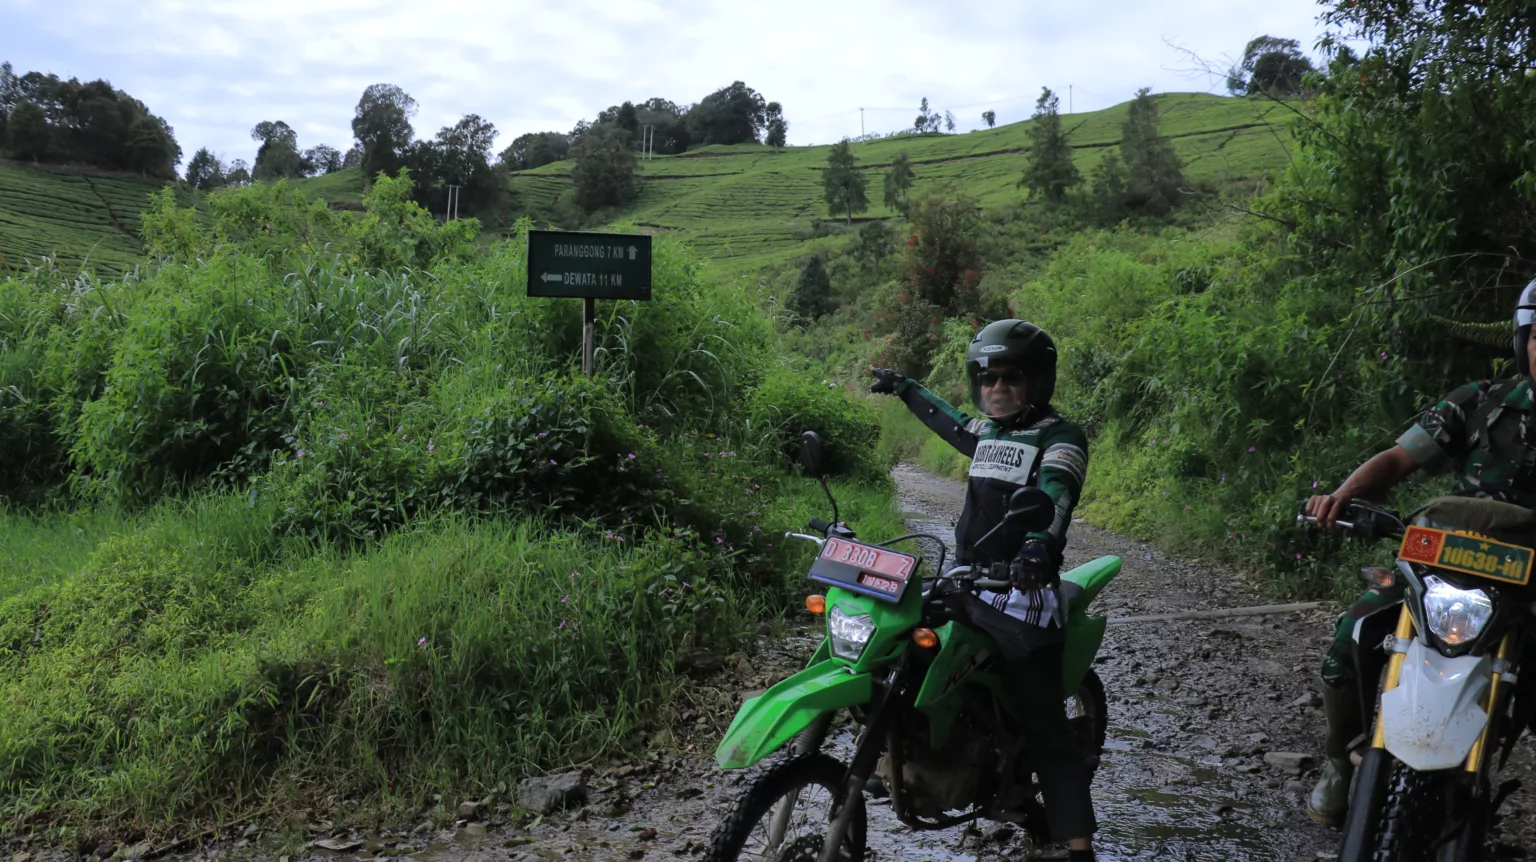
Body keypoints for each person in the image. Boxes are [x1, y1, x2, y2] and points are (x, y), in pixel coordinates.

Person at [1302, 279, 1536, 825]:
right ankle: (1340, 761)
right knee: (1353, 635)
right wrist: (1343, 496)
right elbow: (1398, 458)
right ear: (1523, 340)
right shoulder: (1479, 401)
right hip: (1451, 570)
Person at [870, 318, 1096, 861]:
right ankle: (905, 758)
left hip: (1023, 593)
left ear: (1038, 381)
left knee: (1047, 727)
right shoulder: (989, 433)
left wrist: (1040, 546)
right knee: (901, 649)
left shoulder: (1058, 436)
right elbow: (947, 422)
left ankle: (1079, 846)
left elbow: (1058, 492)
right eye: (986, 378)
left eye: (1010, 378)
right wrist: (905, 387)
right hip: (969, 580)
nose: (997, 389)